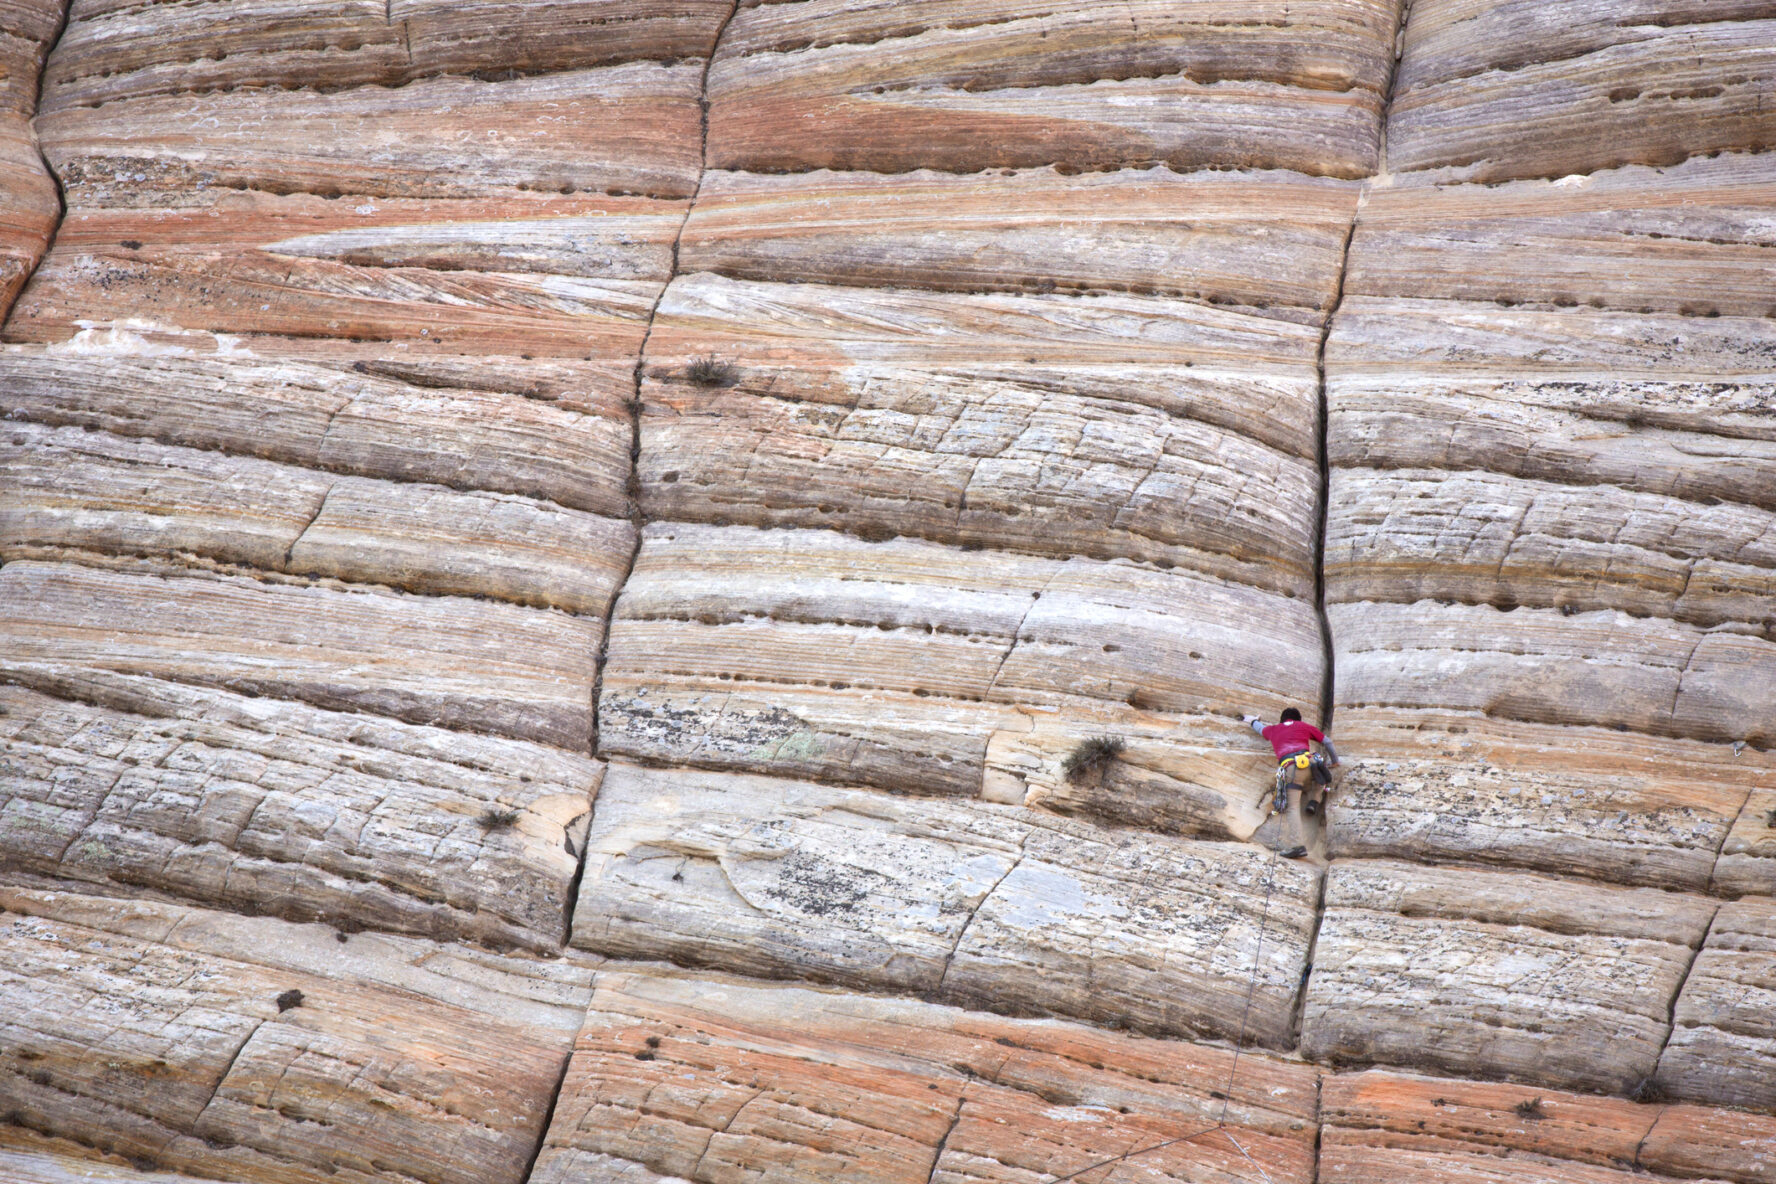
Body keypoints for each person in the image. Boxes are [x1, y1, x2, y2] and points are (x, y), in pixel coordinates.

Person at [1241, 708, 1340, 821]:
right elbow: (1327, 742)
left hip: (1290, 769)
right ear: (1298, 719)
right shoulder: (1303, 726)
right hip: (1308, 763)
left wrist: (1252, 720)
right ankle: (1314, 801)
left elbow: (1260, 729)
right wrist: (1335, 761)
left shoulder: (1274, 729)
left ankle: (1292, 817)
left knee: (1293, 808)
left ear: (1282, 720)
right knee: (1321, 770)